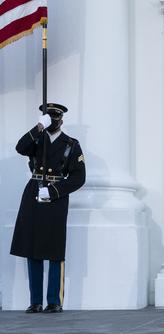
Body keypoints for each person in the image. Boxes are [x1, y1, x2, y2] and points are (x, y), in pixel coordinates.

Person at [10, 103, 86, 313]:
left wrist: (53, 191)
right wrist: (37, 128)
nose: (52, 121)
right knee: (32, 247)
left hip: (55, 197)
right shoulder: (37, 139)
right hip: (34, 193)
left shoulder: (71, 144)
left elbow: (79, 177)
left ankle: (54, 301)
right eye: (48, 118)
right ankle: (35, 301)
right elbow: (20, 148)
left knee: (54, 248)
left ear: (62, 120)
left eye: (55, 118)